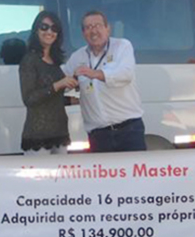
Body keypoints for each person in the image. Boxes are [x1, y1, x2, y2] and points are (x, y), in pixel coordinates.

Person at [62, 10, 146, 152]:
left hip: (128, 131)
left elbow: (125, 75)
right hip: (99, 136)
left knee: (134, 174)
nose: (93, 30)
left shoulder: (122, 46)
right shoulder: (77, 57)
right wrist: (68, 83)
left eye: (98, 25)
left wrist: (95, 74)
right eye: (88, 27)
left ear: (108, 28)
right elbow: (61, 79)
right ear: (83, 33)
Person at [18, 11, 77, 155]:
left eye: (54, 28)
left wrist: (75, 95)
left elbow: (56, 98)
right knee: (39, 177)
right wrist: (58, 84)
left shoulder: (55, 61)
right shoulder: (29, 60)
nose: (49, 31)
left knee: (61, 177)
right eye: (44, 27)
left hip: (60, 133)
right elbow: (29, 99)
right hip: (38, 136)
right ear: (36, 30)